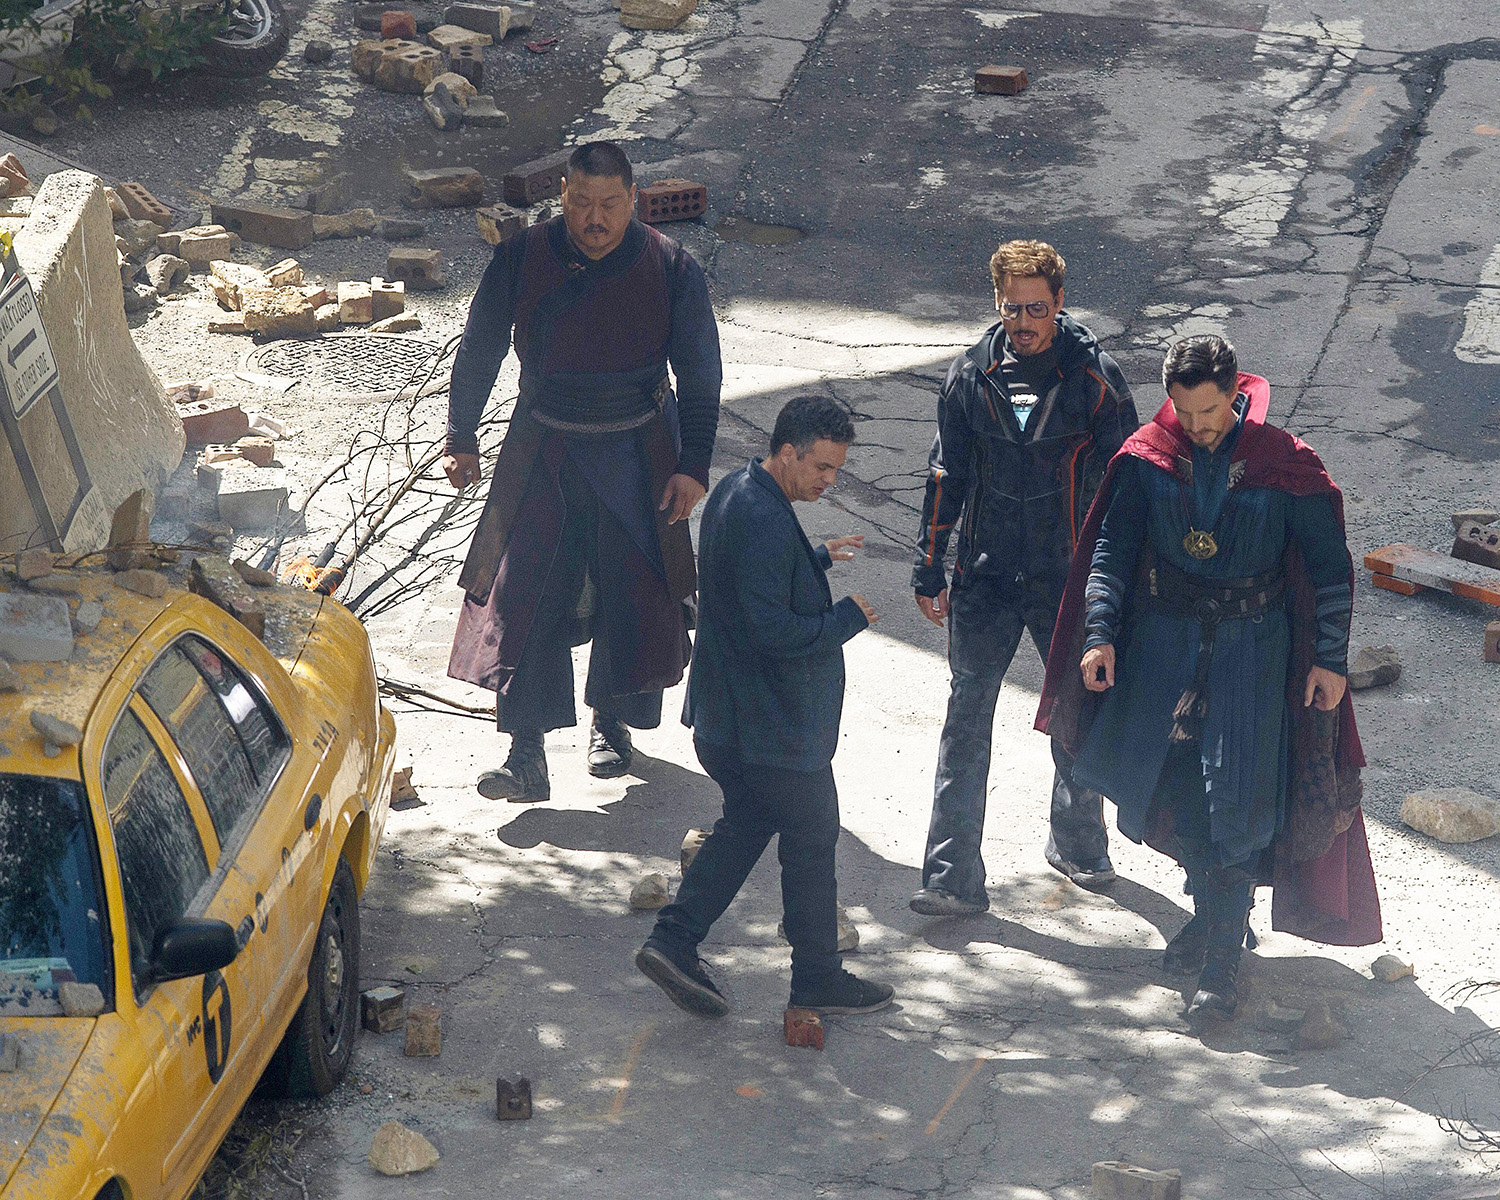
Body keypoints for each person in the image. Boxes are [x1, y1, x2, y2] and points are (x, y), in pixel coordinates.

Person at [1036, 334, 1381, 1020]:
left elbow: (1329, 570)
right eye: (1185, 413)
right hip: (1162, 651)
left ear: (1236, 395)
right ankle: (1216, 915)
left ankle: (1222, 965)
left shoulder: (1286, 464)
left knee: (1238, 800)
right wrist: (1098, 634)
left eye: (1211, 413)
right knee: (1171, 788)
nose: (1197, 428)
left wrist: (1330, 658)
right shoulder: (1147, 457)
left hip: (1253, 655)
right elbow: (1111, 552)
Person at [441, 141, 722, 801]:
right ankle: (525, 753)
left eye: (610, 205)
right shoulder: (521, 257)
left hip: (639, 449)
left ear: (633, 200)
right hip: (543, 442)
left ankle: (612, 725)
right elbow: (480, 346)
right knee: (524, 591)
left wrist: (694, 465)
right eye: (582, 203)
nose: (596, 219)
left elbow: (700, 371)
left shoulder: (670, 266)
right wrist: (461, 435)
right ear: (562, 196)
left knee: (634, 590)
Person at [636, 396, 894, 1018]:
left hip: (729, 721)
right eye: (822, 467)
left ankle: (672, 941)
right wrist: (847, 618)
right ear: (786, 452)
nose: (830, 481)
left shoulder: (738, 490)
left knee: (748, 823)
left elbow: (750, 579)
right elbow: (774, 632)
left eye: (836, 469)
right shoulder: (762, 518)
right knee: (812, 837)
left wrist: (816, 555)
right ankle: (817, 977)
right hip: (768, 729)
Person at [909, 239, 1139, 917]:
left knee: (1076, 713)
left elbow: (1129, 489)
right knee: (965, 721)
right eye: (1012, 308)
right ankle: (950, 877)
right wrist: (929, 564)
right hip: (983, 578)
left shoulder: (1095, 380)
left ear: (1060, 303)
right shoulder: (969, 376)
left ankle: (1078, 842)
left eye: (1037, 308)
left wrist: (1119, 584)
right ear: (997, 302)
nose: (1024, 322)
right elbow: (946, 474)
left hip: (1064, 579)